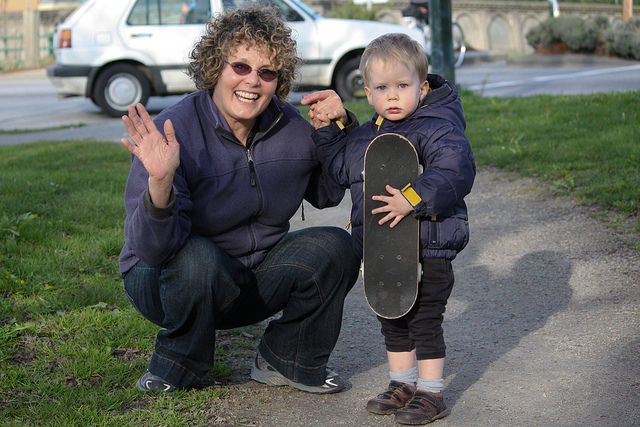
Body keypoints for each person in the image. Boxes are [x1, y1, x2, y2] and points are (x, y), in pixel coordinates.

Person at [119, 3, 360, 395]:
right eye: (241, 66)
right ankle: (177, 366)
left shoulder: (289, 126)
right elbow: (152, 250)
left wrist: (339, 129)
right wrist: (160, 182)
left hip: (247, 280)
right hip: (165, 281)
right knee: (197, 258)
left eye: (267, 72)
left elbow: (327, 192)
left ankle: (288, 359)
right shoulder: (175, 131)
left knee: (336, 246)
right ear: (216, 66)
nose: (253, 81)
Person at [308, 33, 475, 424]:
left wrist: (412, 198)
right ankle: (402, 383)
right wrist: (330, 128)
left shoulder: (437, 128)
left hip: (428, 247)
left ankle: (431, 392)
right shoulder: (365, 136)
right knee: (392, 315)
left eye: (403, 85)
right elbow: (340, 167)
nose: (394, 95)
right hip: (382, 249)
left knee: (425, 320)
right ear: (368, 94)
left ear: (423, 87)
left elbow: (455, 169)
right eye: (383, 88)